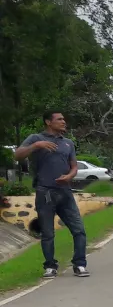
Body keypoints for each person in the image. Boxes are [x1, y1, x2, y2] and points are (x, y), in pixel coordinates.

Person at [15, 111, 87, 279]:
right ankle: (50, 267)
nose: (64, 122)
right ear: (48, 122)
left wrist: (70, 176)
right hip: (45, 192)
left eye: (64, 119)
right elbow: (17, 155)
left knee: (79, 230)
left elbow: (74, 166)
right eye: (59, 119)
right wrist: (36, 146)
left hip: (65, 192)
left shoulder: (68, 143)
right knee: (47, 233)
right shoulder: (35, 138)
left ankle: (80, 264)